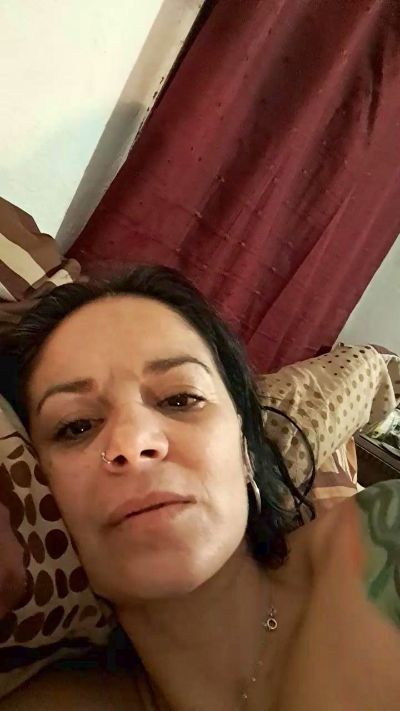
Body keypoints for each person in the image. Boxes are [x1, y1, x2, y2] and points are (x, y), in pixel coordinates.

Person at [2, 265, 399, 711]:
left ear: (246, 451)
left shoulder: (385, 542)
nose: (134, 442)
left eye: (180, 399)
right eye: (76, 426)